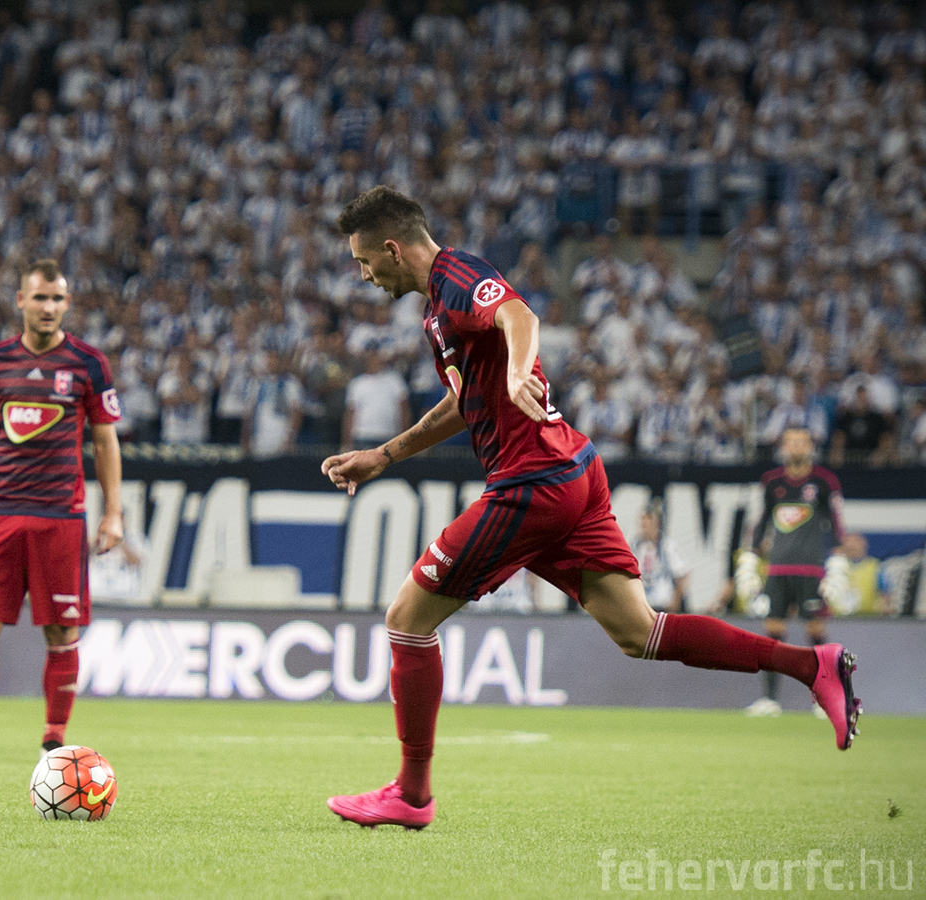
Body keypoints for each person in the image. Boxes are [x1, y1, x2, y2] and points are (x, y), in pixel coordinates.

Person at [319, 187, 859, 831]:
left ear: (391, 247)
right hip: (571, 468)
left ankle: (411, 796)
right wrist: (385, 454)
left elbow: (518, 315)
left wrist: (518, 369)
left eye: (363, 261)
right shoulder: (437, 310)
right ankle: (812, 664)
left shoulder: (457, 276)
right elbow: (466, 404)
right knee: (641, 632)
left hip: (532, 481)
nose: (363, 276)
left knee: (407, 619)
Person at [0, 259, 124, 764]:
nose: (48, 307)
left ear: (67, 304)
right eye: (40, 297)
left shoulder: (88, 363)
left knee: (62, 632)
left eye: (57, 299)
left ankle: (54, 743)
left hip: (61, 515)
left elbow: (105, 440)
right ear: (21, 301)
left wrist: (113, 512)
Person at [736, 427, 845, 717]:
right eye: (791, 442)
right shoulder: (771, 482)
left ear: (810, 446)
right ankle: (770, 700)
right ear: (783, 447)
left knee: (816, 633)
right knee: (773, 634)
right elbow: (759, 523)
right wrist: (750, 560)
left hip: (811, 569)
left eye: (802, 442)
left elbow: (836, 524)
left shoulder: (824, 482)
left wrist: (837, 565)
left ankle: (824, 699)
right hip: (778, 568)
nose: (796, 446)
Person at [631, 507, 690, 613]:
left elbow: (682, 574)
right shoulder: (635, 546)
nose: (644, 528)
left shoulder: (667, 546)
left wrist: (676, 600)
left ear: (656, 524)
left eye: (647, 524)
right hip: (643, 605)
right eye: (642, 524)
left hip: (662, 605)